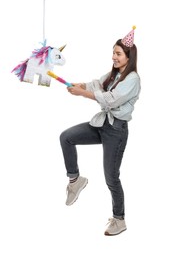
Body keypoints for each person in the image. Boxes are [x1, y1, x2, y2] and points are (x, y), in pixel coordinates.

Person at [59, 26, 141, 236]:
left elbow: (111, 100)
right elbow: (97, 84)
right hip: (102, 124)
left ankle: (119, 219)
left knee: (111, 178)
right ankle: (75, 180)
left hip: (116, 131)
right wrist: (82, 85)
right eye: (113, 52)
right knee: (67, 137)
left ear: (128, 57)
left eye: (118, 53)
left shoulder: (132, 79)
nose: (113, 57)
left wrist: (82, 94)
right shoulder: (115, 73)